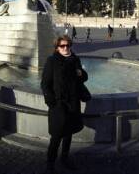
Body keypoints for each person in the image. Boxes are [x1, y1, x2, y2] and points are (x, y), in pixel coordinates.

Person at [41, 35, 88, 174]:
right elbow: (45, 84)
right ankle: (50, 163)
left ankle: (65, 158)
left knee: (69, 133)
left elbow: (84, 78)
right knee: (56, 135)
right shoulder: (52, 61)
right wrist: (51, 102)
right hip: (59, 104)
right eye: (62, 46)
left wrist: (81, 73)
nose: (66, 48)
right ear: (57, 48)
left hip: (73, 102)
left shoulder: (75, 59)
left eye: (68, 45)